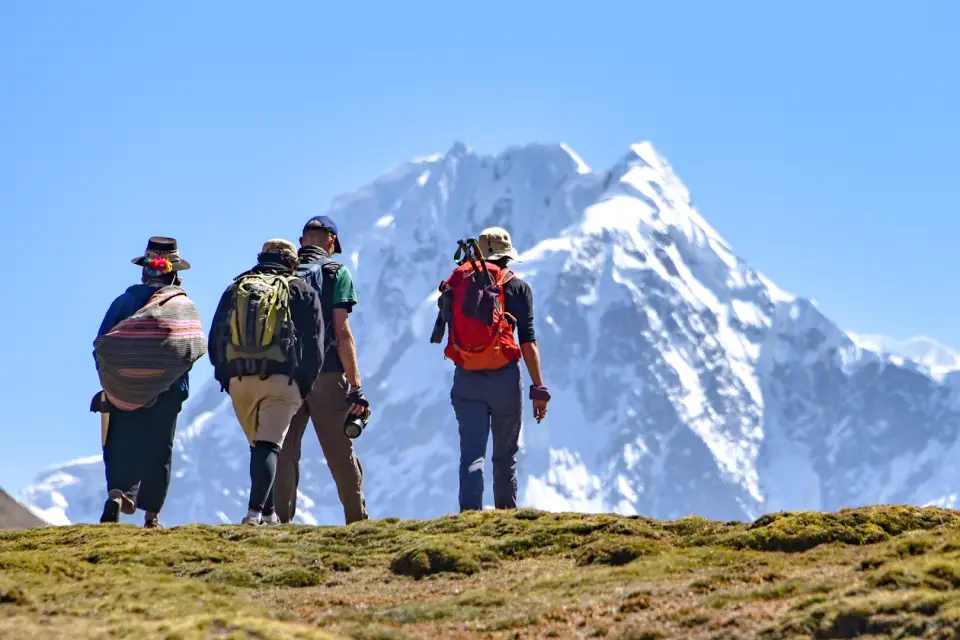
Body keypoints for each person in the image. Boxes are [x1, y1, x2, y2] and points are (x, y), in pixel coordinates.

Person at [208, 239, 324, 525]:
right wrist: (301, 386)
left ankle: (269, 515)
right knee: (268, 447)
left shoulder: (235, 288)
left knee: (259, 447)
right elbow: (315, 346)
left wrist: (227, 376)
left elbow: (215, 339)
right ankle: (254, 513)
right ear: (293, 264)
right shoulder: (301, 289)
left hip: (238, 379)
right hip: (281, 380)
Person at [439, 227, 551, 512]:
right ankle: (506, 517)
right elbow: (527, 341)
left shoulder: (459, 282)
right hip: (504, 379)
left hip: (466, 377)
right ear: (507, 256)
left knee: (471, 454)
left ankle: (468, 519)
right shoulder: (518, 287)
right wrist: (539, 388)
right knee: (505, 455)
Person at [274, 215, 370, 525]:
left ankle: (281, 524)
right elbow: (342, 333)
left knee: (285, 452)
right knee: (339, 453)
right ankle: (356, 521)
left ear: (302, 242)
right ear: (332, 242)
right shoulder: (335, 272)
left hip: (283, 376)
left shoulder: (280, 275)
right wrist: (356, 387)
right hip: (326, 374)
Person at [94, 237, 195, 528]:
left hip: (122, 387)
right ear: (174, 273)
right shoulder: (182, 304)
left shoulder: (123, 302)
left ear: (144, 272)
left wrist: (110, 381)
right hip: (167, 389)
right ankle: (152, 516)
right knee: (159, 448)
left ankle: (116, 495)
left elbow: (101, 344)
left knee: (121, 442)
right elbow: (190, 348)